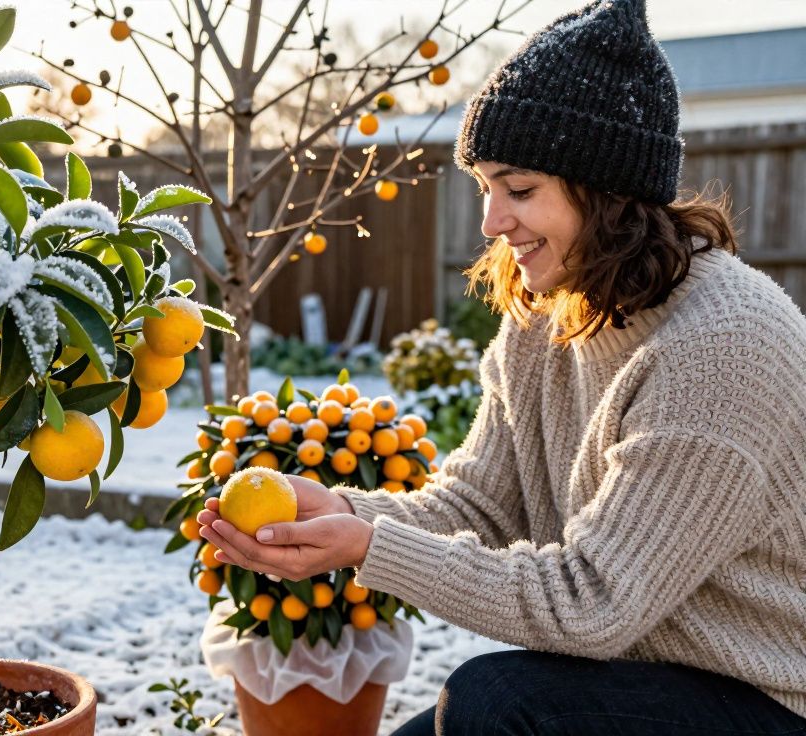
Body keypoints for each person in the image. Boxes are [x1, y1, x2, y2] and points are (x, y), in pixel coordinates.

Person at [196, 0, 806, 733]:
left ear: (610, 192)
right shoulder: (547, 316)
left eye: (519, 190)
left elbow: (592, 604)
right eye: (486, 187)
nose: (491, 222)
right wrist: (344, 512)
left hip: (765, 694)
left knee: (495, 704)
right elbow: (478, 507)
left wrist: (370, 547)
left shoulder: (723, 347)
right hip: (636, 673)